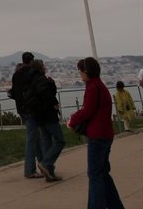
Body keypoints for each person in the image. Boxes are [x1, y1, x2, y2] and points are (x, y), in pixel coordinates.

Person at [68, 57, 125, 209]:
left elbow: (87, 110)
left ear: (86, 71)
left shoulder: (92, 87)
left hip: (97, 136)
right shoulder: (100, 85)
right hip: (106, 134)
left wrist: (72, 120)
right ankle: (115, 205)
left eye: (81, 71)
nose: (80, 74)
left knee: (95, 175)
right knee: (103, 173)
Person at [27, 59, 65, 182]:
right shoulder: (41, 79)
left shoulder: (31, 80)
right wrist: (55, 102)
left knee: (47, 142)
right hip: (48, 114)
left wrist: (51, 84)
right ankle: (46, 163)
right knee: (60, 140)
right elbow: (45, 93)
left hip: (39, 116)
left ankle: (50, 173)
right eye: (43, 65)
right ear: (40, 67)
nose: (45, 67)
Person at [8, 51, 43, 179]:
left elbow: (13, 92)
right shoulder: (31, 74)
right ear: (32, 61)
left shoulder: (16, 74)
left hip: (21, 109)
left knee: (36, 138)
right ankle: (30, 170)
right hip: (31, 109)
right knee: (32, 140)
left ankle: (45, 165)